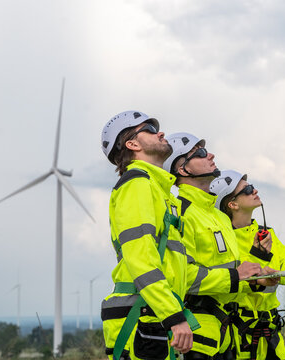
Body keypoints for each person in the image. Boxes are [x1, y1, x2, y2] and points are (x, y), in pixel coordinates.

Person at [99, 112, 244, 360]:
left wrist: (235, 277)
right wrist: (173, 315)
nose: (161, 132)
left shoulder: (159, 191)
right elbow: (141, 260)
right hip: (143, 320)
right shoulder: (137, 185)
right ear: (132, 144)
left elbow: (178, 271)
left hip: (156, 320)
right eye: (150, 129)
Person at [162, 133, 266, 360]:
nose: (210, 155)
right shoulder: (179, 212)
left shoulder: (220, 217)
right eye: (199, 153)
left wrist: (255, 279)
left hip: (228, 335)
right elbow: (182, 275)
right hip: (196, 338)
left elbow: (227, 269)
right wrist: (236, 276)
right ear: (182, 170)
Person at [210, 170, 285, 360]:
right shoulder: (223, 241)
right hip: (238, 340)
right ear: (232, 204)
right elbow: (238, 281)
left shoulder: (267, 234)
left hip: (270, 339)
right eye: (247, 189)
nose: (255, 190)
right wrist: (258, 255)